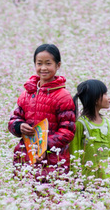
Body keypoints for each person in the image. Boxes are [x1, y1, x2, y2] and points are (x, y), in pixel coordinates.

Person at [8, 44, 76, 180]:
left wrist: (43, 147)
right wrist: (19, 126)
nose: (43, 68)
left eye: (48, 63)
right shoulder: (27, 93)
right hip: (25, 155)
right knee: (25, 196)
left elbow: (67, 131)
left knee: (50, 195)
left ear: (58, 65)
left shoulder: (63, 96)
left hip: (53, 158)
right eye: (39, 63)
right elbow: (14, 119)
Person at [69, 79, 110, 182]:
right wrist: (75, 177)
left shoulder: (108, 123)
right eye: (104, 94)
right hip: (87, 178)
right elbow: (74, 151)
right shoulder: (81, 123)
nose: (108, 98)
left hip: (107, 175)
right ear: (94, 99)